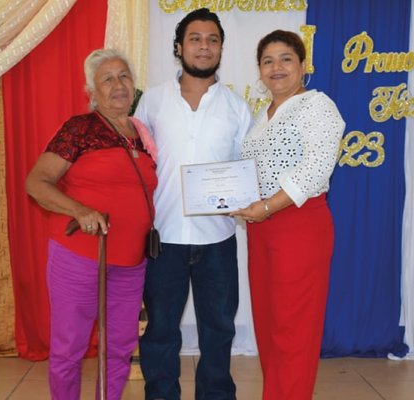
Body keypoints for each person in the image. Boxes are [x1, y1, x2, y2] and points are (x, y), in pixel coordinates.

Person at [25, 49, 157, 400]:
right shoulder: (79, 128)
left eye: (124, 76)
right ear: (92, 92)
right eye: (108, 79)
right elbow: (36, 183)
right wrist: (79, 210)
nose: (118, 85)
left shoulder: (144, 135)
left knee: (119, 348)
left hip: (131, 263)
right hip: (80, 257)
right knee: (70, 347)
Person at [134, 8, 252, 400]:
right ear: (178, 47)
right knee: (161, 330)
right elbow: (138, 165)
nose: (204, 47)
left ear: (221, 49)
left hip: (218, 238)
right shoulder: (151, 102)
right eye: (196, 39)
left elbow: (244, 170)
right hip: (163, 237)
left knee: (218, 330)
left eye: (213, 40)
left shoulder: (237, 107)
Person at [230, 30, 345, 400]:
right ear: (259, 71)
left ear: (303, 65)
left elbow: (315, 170)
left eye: (285, 59)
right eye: (267, 61)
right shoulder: (261, 116)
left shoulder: (317, 106)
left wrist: (265, 206)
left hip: (299, 225)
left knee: (294, 331)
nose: (276, 68)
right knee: (268, 326)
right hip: (261, 228)